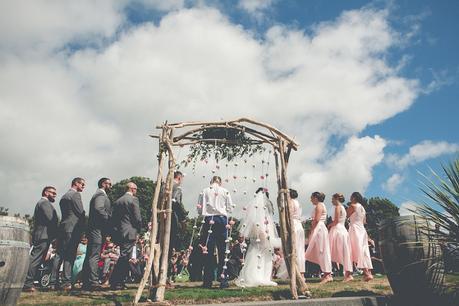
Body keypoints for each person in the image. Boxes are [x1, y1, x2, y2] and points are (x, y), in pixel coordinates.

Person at [236, 188, 280, 287]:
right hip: (260, 236)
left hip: (266, 235)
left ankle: (265, 277)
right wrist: (263, 235)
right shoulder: (256, 209)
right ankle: (255, 277)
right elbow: (255, 224)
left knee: (266, 255)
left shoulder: (265, 210)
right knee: (258, 253)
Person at [197, 176, 233, 289]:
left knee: (208, 251)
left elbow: (199, 208)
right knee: (223, 251)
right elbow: (230, 208)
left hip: (209, 219)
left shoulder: (204, 190)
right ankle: (223, 280)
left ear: (211, 182)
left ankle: (208, 280)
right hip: (222, 220)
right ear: (220, 182)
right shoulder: (225, 191)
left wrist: (204, 213)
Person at [51, 177, 86, 290]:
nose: (83, 186)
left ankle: (53, 282)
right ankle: (66, 282)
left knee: (59, 255)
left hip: (63, 227)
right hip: (72, 228)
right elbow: (81, 212)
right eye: (82, 184)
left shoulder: (63, 197)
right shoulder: (75, 195)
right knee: (70, 255)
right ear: (76, 183)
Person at [23, 186, 59, 292]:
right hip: (44, 235)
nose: (55, 195)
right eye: (53, 193)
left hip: (44, 235)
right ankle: (27, 283)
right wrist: (57, 234)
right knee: (35, 259)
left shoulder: (43, 203)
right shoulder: (44, 203)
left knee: (37, 259)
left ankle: (29, 282)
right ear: (46, 192)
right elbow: (51, 219)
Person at [109, 182, 142, 290]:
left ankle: (118, 281)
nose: (136, 191)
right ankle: (116, 281)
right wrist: (138, 229)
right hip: (130, 231)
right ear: (132, 189)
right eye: (136, 189)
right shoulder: (133, 200)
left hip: (120, 232)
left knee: (125, 256)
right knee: (124, 257)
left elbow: (113, 218)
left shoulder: (118, 201)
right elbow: (137, 218)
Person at [82, 177, 112, 291]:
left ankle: (86, 281)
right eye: (109, 184)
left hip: (95, 229)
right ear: (104, 184)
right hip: (97, 229)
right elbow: (99, 209)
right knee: (94, 255)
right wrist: (108, 220)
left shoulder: (99, 195)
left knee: (91, 254)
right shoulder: (100, 195)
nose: (111, 186)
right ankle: (93, 282)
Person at [305, 192, 332, 283]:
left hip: (319, 228)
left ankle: (327, 274)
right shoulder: (320, 205)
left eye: (312, 197)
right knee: (320, 251)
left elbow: (316, 220)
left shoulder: (319, 206)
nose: (311, 199)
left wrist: (311, 229)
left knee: (322, 251)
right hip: (318, 228)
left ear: (316, 198)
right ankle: (326, 273)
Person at [347, 192, 373, 281]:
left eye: (351, 196)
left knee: (357, 250)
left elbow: (345, 216)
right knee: (364, 251)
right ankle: (368, 273)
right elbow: (364, 221)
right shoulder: (363, 208)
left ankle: (366, 272)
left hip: (354, 229)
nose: (350, 198)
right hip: (362, 229)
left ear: (354, 198)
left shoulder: (353, 206)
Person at [328, 193, 353, 282]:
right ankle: (348, 273)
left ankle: (348, 274)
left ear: (336, 199)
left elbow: (336, 221)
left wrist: (329, 225)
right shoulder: (343, 207)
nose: (331, 201)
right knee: (344, 251)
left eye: (332, 199)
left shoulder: (338, 207)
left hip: (338, 230)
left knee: (341, 251)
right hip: (342, 229)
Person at [289, 189, 306, 277]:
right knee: (300, 249)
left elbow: (290, 214)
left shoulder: (291, 202)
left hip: (294, 225)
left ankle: (296, 271)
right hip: (299, 225)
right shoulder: (298, 203)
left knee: (294, 248)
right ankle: (301, 271)